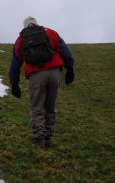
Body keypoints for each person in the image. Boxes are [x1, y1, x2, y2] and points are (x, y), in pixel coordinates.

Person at [9, 16, 75, 148]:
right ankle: (48, 138)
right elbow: (64, 50)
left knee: (37, 107)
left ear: (25, 26)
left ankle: (39, 140)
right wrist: (70, 67)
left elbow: (16, 61)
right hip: (54, 73)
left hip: (36, 75)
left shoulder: (21, 38)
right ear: (36, 24)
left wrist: (14, 83)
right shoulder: (50, 32)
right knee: (50, 107)